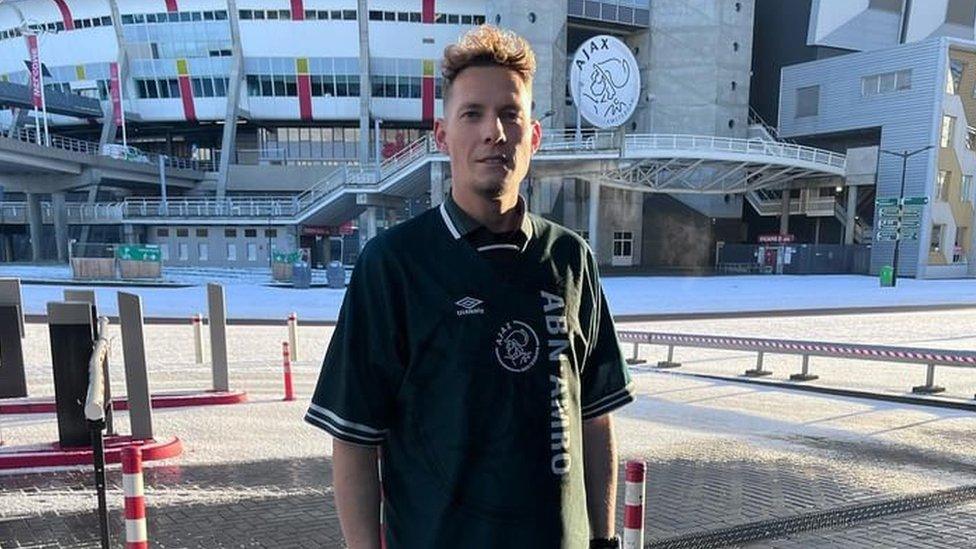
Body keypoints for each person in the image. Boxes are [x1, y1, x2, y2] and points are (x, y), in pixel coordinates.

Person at [305, 24, 634, 549]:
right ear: (441, 136)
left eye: (510, 114)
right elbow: (353, 439)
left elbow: (594, 419)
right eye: (473, 114)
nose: (494, 132)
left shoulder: (572, 260)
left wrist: (603, 539)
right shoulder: (394, 265)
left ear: (534, 135)